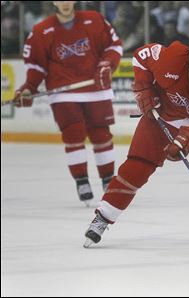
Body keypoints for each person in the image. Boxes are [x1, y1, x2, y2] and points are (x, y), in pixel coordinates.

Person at [84, 31, 189, 248]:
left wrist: (187, 137)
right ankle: (103, 217)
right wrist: (144, 89)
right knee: (136, 167)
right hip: (162, 118)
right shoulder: (172, 57)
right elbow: (140, 56)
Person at [14, 1, 123, 204]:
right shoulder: (41, 30)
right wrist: (29, 87)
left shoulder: (96, 20)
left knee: (101, 135)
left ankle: (109, 180)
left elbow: (113, 46)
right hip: (64, 92)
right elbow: (36, 66)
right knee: (73, 135)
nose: (64, 3)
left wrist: (107, 64)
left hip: (96, 89)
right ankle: (81, 180)